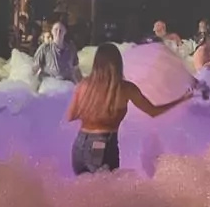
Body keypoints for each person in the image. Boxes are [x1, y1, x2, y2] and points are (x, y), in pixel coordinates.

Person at [66, 43, 194, 175]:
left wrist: (93, 110)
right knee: (105, 186)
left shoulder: (84, 85)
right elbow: (153, 112)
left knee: (84, 186)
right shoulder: (126, 88)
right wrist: (181, 99)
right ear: (117, 64)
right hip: (101, 146)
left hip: (79, 145)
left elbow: (70, 116)